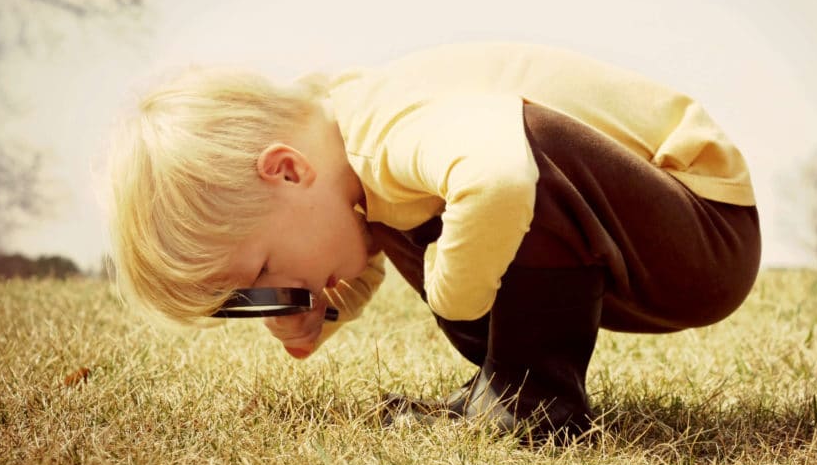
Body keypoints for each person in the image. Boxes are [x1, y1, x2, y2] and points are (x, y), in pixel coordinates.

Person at [107, 42, 761, 439]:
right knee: (425, 215)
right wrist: (315, 310)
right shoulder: (348, 150)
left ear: (286, 169)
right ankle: (507, 383)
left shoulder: (384, 126)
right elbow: (364, 235)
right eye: (256, 298)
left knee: (506, 168)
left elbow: (504, 180)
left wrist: (455, 296)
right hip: (649, 232)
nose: (274, 293)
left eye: (266, 271)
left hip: (701, 224)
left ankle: (531, 405)